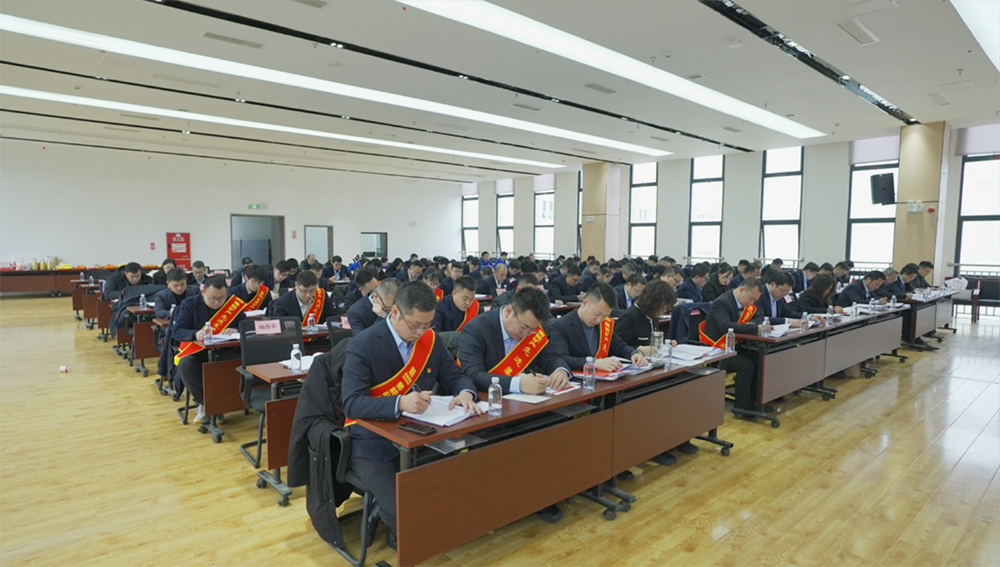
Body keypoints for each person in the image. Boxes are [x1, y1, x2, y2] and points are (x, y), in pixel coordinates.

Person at [342, 282, 481, 550]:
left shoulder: (430, 339)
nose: (421, 332)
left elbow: (456, 376)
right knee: (403, 513)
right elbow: (351, 403)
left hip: (419, 433)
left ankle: (387, 514)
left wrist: (465, 392)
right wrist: (399, 402)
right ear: (395, 312)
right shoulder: (363, 344)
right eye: (416, 325)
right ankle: (386, 516)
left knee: (448, 491)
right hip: (372, 441)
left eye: (428, 325)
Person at [173, 275, 246, 423]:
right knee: (186, 364)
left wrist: (237, 329)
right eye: (213, 298)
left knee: (244, 362)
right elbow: (177, 331)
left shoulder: (233, 305)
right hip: (199, 352)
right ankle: (206, 404)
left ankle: (233, 402)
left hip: (227, 351)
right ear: (203, 292)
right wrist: (195, 334)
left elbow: (245, 326)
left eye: (221, 298)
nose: (217, 302)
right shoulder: (190, 304)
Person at [548, 283, 648, 372]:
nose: (599, 320)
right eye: (597, 313)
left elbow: (619, 346)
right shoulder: (561, 326)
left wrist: (634, 353)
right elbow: (561, 358)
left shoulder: (605, 323)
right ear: (585, 303)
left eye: (605, 316)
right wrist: (594, 363)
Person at [702, 278, 764, 416]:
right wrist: (755, 329)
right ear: (742, 290)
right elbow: (726, 326)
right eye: (751, 298)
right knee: (746, 365)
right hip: (717, 350)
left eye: (755, 300)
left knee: (759, 358)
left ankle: (755, 402)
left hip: (734, 346)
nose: (752, 303)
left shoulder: (745, 303)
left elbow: (760, 317)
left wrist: (753, 324)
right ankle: (742, 407)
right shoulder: (722, 303)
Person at [271, 271, 338, 325]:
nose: (308, 295)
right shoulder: (282, 303)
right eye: (304, 291)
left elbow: (332, 317)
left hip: (320, 336)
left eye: (312, 291)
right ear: (296, 285)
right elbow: (278, 324)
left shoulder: (322, 295)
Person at [754, 271, 819, 327]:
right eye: (783, 291)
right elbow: (760, 319)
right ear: (773, 284)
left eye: (787, 292)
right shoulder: (758, 295)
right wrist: (787, 321)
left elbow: (787, 313)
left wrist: (809, 317)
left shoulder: (779, 296)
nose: (785, 295)